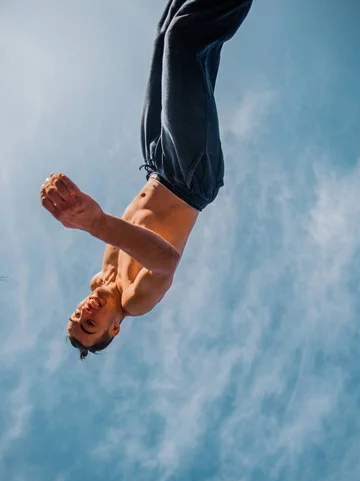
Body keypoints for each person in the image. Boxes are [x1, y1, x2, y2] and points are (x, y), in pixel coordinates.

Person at [40, 0, 253, 359]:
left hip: (156, 162)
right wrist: (95, 221)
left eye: (77, 315)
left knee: (165, 33)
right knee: (184, 39)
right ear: (114, 328)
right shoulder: (135, 301)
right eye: (90, 324)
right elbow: (166, 262)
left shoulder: (103, 277)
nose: (86, 312)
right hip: (188, 178)